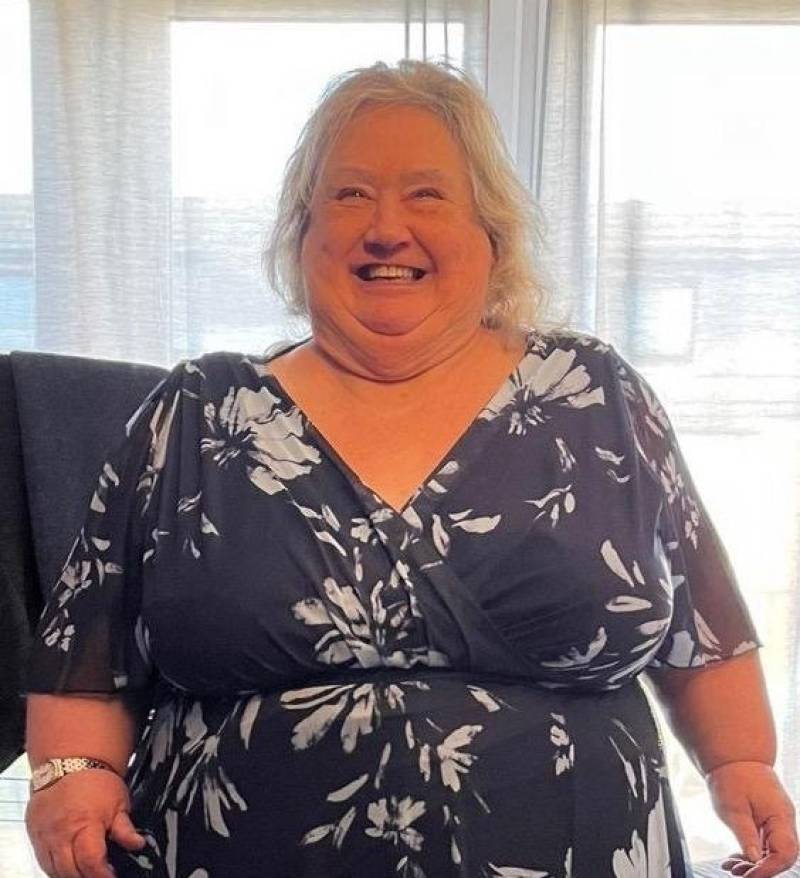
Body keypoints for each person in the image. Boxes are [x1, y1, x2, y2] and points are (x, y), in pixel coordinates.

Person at [24, 59, 797, 878]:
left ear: (491, 234)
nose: (387, 228)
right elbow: (88, 641)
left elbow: (702, 622)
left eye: (427, 195)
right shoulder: (196, 413)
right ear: (302, 233)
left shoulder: (594, 393)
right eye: (350, 195)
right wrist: (71, 775)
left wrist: (740, 763)